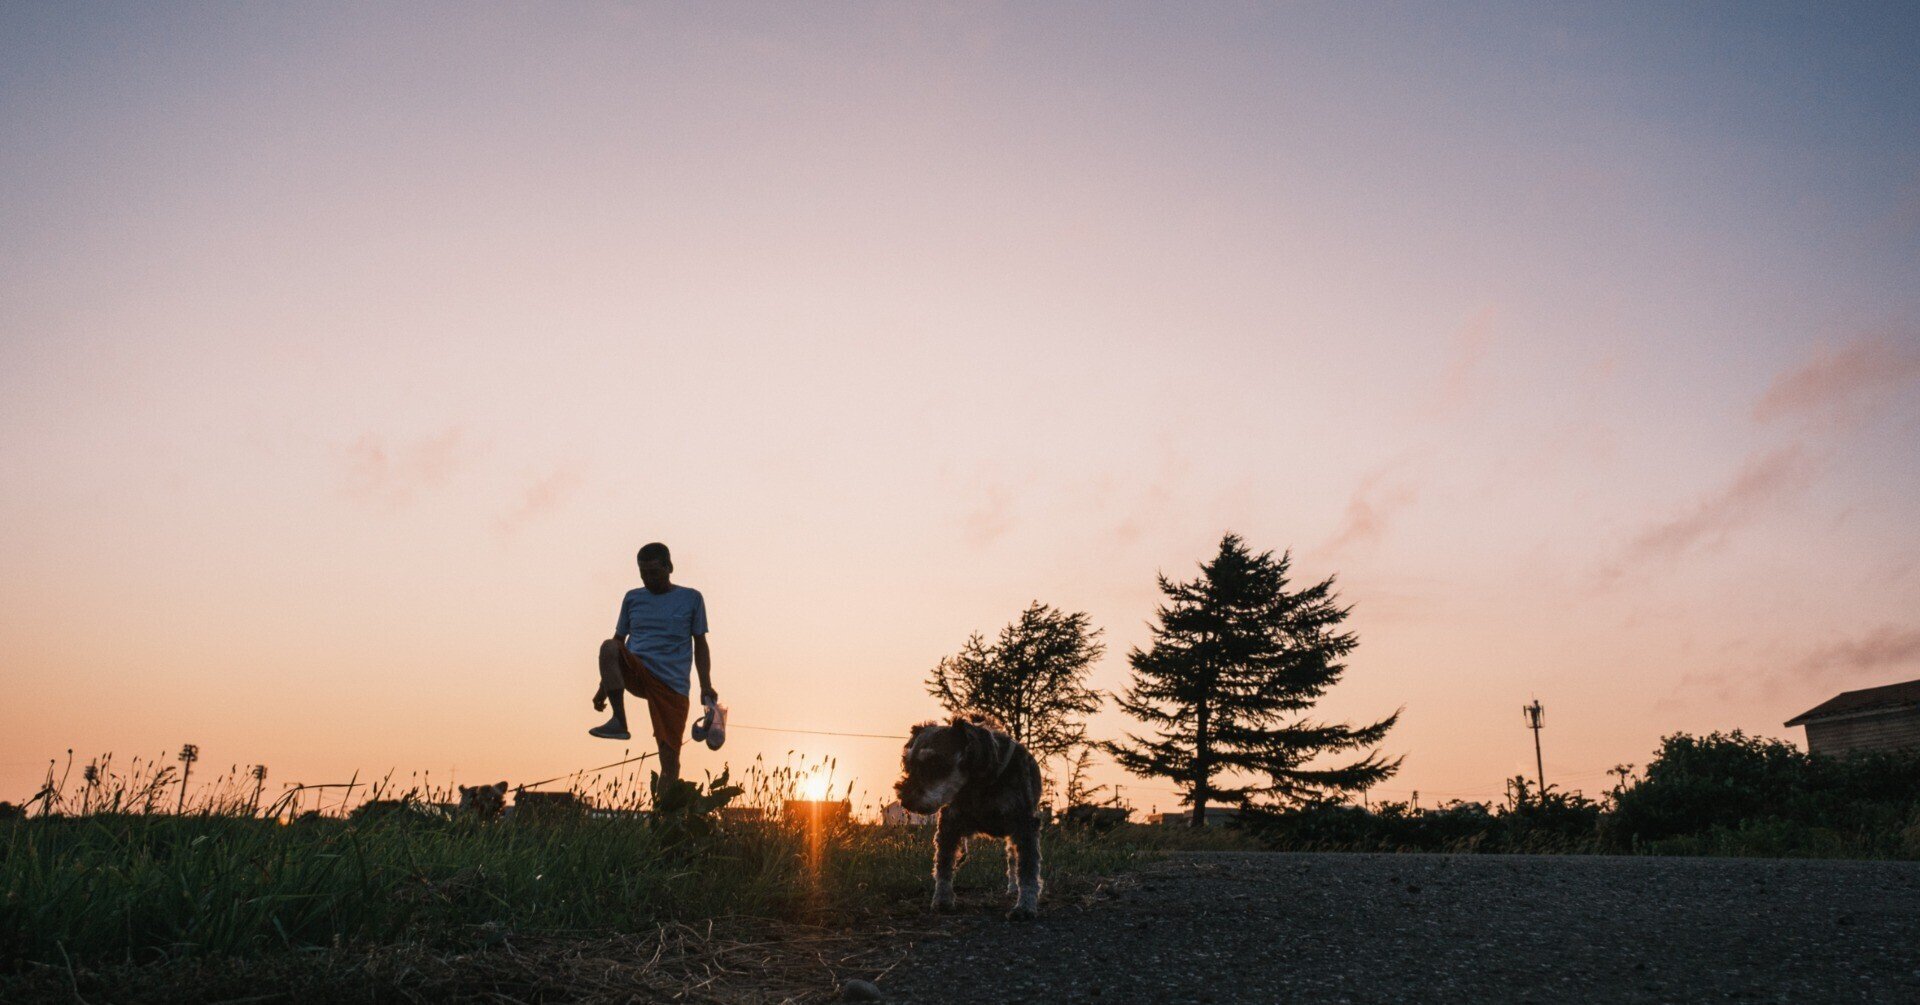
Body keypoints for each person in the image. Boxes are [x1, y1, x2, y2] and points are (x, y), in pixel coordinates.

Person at [592, 542, 716, 787]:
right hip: (637, 670)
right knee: (608, 645)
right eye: (643, 573)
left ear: (669, 567)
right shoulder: (632, 598)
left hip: (672, 685)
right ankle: (619, 721)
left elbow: (700, 644)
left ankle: (664, 815)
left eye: (654, 573)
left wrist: (706, 686)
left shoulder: (691, 598)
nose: (649, 579)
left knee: (670, 760)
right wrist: (602, 689)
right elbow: (618, 642)